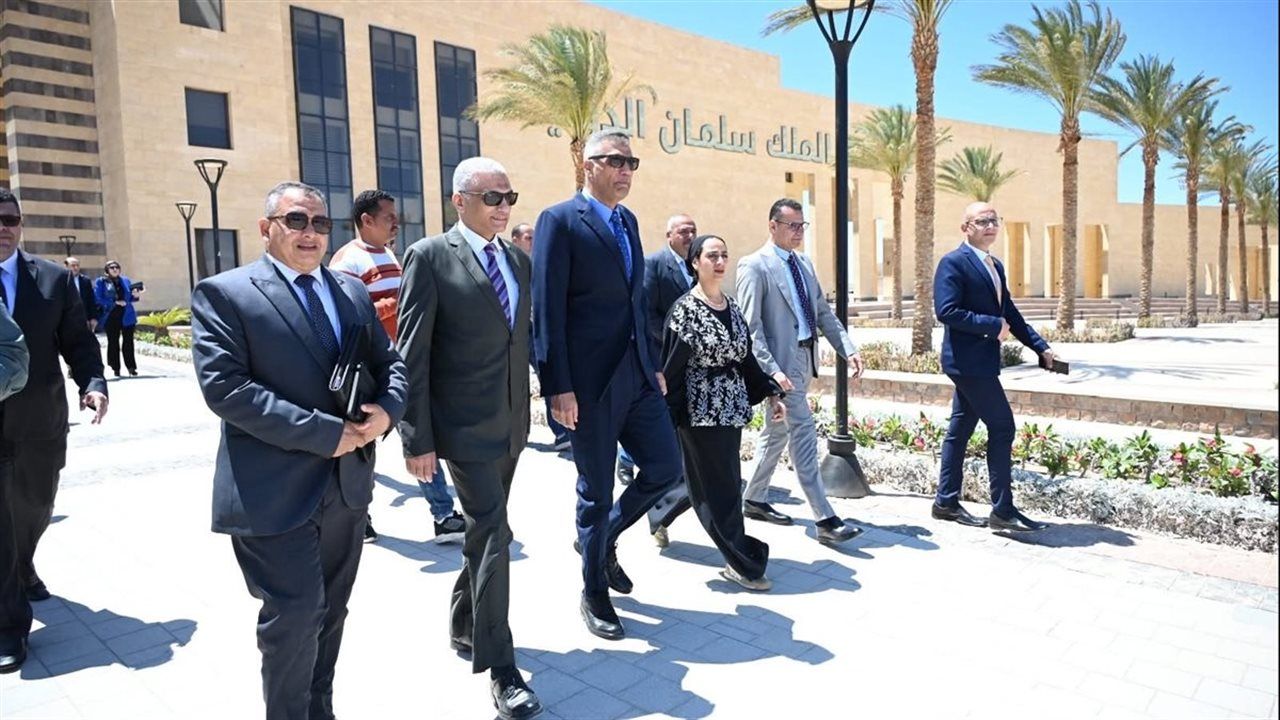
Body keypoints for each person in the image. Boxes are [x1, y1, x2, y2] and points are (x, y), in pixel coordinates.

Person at [190, 181, 407, 719]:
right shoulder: (225, 294)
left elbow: (391, 364)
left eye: (320, 223)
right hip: (273, 491)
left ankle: (319, 709)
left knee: (331, 611)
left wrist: (388, 411)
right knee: (295, 614)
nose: (310, 233)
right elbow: (227, 390)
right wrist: (323, 433)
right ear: (267, 228)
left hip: (347, 489)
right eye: (296, 221)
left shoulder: (350, 290)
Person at [397, 157, 542, 720]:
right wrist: (416, 438)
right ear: (459, 201)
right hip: (460, 429)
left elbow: (520, 342)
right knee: (495, 533)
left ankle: (463, 621)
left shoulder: (517, 260)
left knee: (485, 536)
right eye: (492, 198)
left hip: (510, 426)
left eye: (509, 197)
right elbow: (412, 354)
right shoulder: (430, 256)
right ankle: (502, 668)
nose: (503, 208)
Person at [533, 129, 683, 640]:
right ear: (588, 164)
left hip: (637, 375)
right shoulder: (559, 220)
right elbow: (547, 308)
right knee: (595, 492)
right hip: (588, 385)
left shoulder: (628, 221)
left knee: (665, 467)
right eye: (615, 161)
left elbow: (635, 301)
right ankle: (593, 590)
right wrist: (557, 385)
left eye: (631, 163)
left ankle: (601, 540)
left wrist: (652, 363)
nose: (625, 170)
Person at [0, 187, 108, 675]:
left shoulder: (52, 279)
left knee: (35, 506)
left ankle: (23, 564)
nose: (3, 228)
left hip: (39, 420)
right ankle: (9, 624)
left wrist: (93, 384)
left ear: (20, 223)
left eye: (10, 219)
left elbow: (78, 342)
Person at [330, 189, 466, 545]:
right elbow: (345, 316)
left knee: (418, 433)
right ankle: (359, 516)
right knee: (361, 444)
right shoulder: (348, 260)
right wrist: (396, 303)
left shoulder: (389, 254)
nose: (397, 223)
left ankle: (443, 515)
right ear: (366, 220)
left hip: (399, 364)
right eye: (389, 216)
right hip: (367, 369)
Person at [736, 198, 864, 546]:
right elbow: (751, 329)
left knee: (777, 432)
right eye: (791, 225)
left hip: (806, 359)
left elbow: (822, 313)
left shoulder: (803, 263)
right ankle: (825, 518)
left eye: (801, 226)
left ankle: (754, 498)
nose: (798, 232)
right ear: (772, 226)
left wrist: (848, 349)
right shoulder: (754, 266)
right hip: (780, 368)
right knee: (804, 433)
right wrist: (772, 372)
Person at [662, 234, 785, 591]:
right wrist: (667, 416)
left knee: (713, 481)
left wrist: (770, 394)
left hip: (731, 410)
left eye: (724, 256)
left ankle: (659, 514)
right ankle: (741, 561)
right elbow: (670, 368)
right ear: (695, 262)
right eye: (712, 256)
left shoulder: (731, 306)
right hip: (698, 411)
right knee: (722, 488)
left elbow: (746, 359)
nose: (719, 262)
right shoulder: (685, 310)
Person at [932, 202, 1055, 532]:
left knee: (960, 430)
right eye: (981, 221)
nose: (990, 226)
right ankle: (1002, 510)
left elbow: (1009, 313)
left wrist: (1040, 346)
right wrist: (991, 325)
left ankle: (945, 503)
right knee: (1002, 427)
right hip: (966, 363)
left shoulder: (994, 265)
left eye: (994, 220)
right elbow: (946, 311)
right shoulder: (953, 262)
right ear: (966, 227)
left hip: (982, 362)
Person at [640, 214, 700, 548]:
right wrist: (676, 343)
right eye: (683, 231)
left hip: (698, 370)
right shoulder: (654, 265)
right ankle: (658, 513)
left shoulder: (698, 266)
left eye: (693, 230)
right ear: (669, 235)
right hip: (668, 366)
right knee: (674, 449)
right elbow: (647, 314)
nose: (690, 235)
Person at [512, 222, 569, 451]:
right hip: (515, 332)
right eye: (528, 237)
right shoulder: (508, 263)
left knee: (547, 378)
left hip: (536, 330)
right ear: (515, 240)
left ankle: (561, 433)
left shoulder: (540, 263)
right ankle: (517, 431)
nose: (533, 241)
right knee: (515, 384)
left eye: (534, 237)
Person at [94, 260, 141, 377]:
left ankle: (131, 367)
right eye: (112, 267)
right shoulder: (101, 281)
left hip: (127, 315)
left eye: (117, 267)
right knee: (113, 342)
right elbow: (97, 298)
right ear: (107, 270)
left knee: (128, 342)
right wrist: (115, 302)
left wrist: (135, 296)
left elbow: (130, 298)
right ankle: (116, 368)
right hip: (111, 315)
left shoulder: (125, 280)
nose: (115, 269)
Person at [65, 257, 99, 333]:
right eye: (73, 265)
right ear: (66, 266)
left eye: (77, 265)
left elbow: (91, 300)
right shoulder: (62, 280)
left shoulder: (85, 280)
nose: (76, 268)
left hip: (84, 318)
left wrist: (93, 317)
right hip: (67, 319)